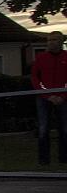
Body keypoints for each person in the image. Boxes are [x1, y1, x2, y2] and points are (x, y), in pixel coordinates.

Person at [31, 31, 67, 165]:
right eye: (49, 40)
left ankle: (64, 159)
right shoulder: (41, 58)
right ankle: (44, 160)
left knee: (64, 128)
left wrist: (63, 95)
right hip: (44, 98)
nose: (51, 43)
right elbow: (36, 78)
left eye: (54, 40)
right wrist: (47, 95)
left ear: (61, 41)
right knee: (43, 127)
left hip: (63, 98)